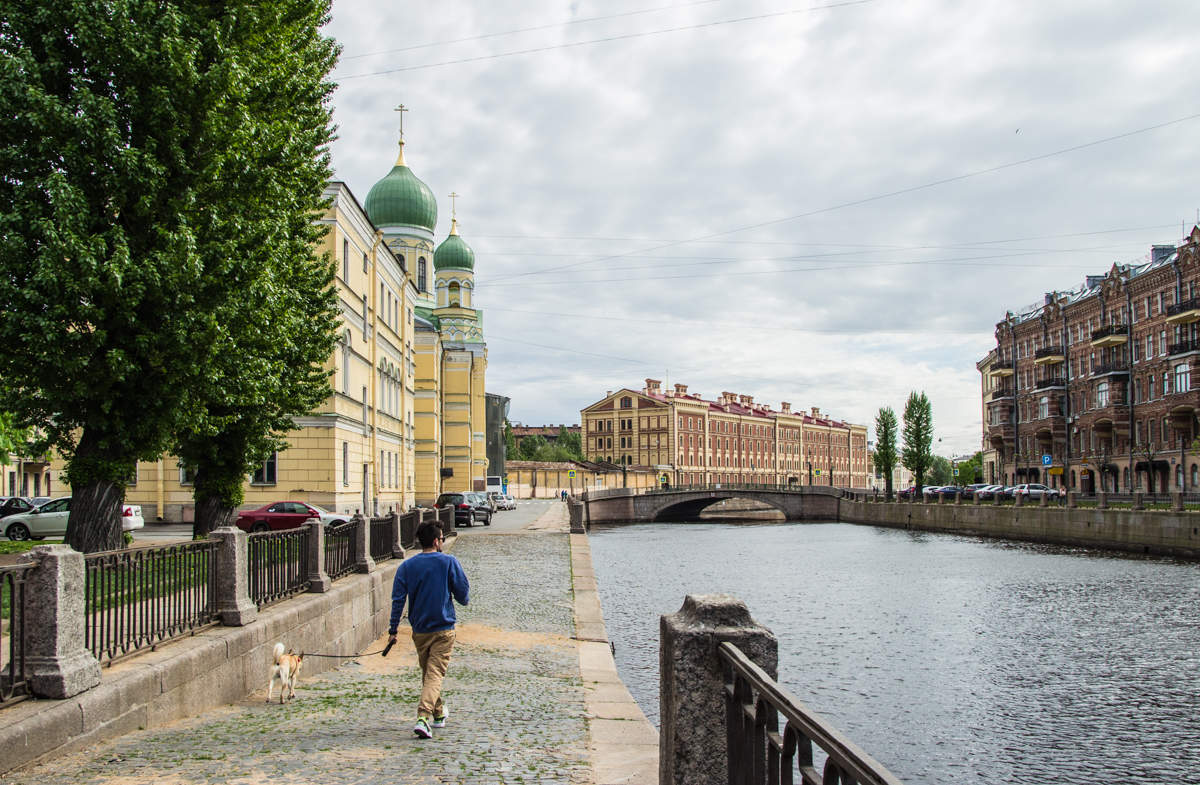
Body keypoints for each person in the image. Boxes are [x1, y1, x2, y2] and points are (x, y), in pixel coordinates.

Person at [388, 521, 470, 739]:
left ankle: (439, 713)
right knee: (434, 673)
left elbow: (398, 600)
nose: (442, 542)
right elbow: (464, 596)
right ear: (436, 541)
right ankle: (423, 717)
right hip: (443, 628)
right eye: (442, 538)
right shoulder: (448, 562)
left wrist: (393, 629)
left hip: (420, 630)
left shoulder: (406, 566)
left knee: (429, 673)